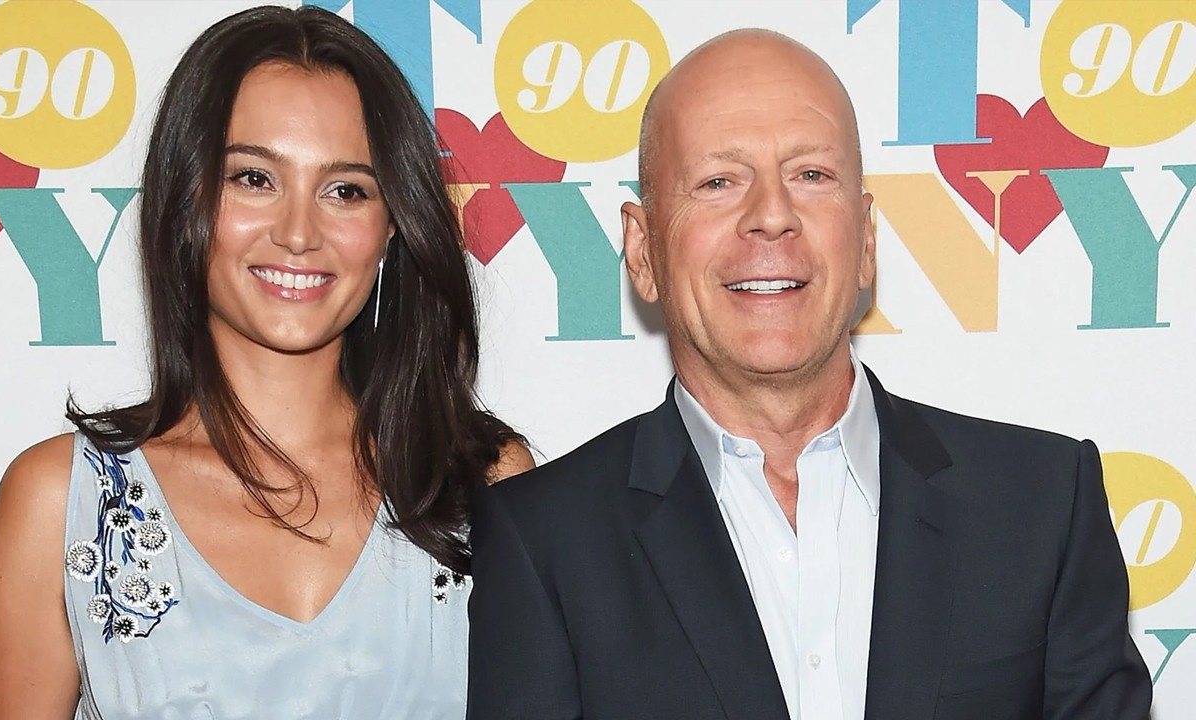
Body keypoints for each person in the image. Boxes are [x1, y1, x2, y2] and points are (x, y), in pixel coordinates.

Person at [466, 28, 1150, 720]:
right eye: (718, 182)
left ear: (866, 240)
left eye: (811, 176)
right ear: (642, 252)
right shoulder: (543, 541)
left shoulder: (1042, 505)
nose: (772, 216)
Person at [0, 6, 531, 719]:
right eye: (254, 179)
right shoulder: (61, 503)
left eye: (346, 190)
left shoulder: (486, 486)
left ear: (392, 225)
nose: (298, 232)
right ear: (187, 198)